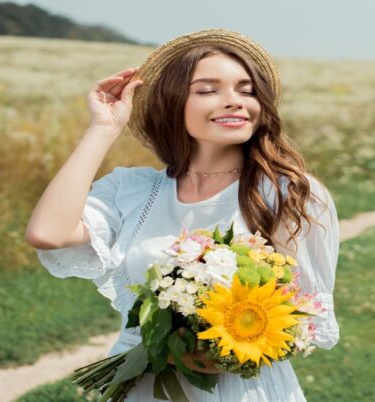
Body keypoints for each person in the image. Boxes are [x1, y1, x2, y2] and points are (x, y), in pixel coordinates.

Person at [24, 28, 340, 402]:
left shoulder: (287, 192)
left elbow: (307, 318)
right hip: (143, 386)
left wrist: (224, 347)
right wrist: (103, 129)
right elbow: (48, 233)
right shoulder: (133, 189)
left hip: (240, 389)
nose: (234, 101)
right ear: (173, 104)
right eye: (208, 90)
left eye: (247, 90)